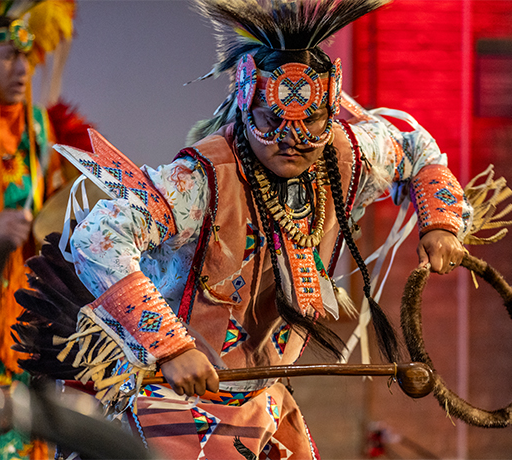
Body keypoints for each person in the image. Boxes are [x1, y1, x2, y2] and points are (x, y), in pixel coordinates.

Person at [36, 0, 469, 458]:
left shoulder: (348, 156)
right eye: (271, 121)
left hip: (264, 404)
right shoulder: (199, 181)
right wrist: (171, 348)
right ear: (246, 106)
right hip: (171, 403)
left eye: (310, 124)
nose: (291, 139)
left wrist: (439, 223)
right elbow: (98, 240)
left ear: (329, 110)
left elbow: (417, 151)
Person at [0, 1, 86, 458]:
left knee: (26, 434)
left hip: (23, 317)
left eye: (27, 56)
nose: (22, 67)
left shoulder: (39, 133)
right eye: (8, 56)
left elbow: (59, 213)